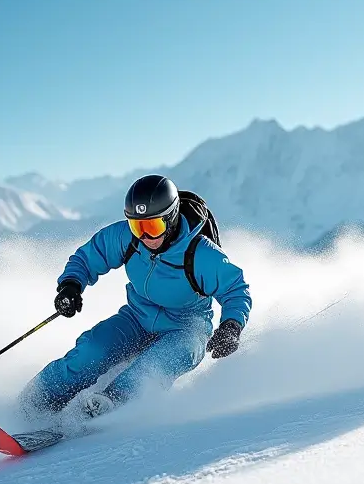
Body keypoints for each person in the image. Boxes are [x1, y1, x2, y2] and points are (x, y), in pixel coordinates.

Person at [19, 175, 251, 422]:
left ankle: (110, 405)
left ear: (171, 220)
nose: (145, 237)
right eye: (137, 226)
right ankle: (36, 400)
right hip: (136, 318)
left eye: (153, 227)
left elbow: (236, 290)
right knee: (92, 350)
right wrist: (71, 285)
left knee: (155, 366)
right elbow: (89, 256)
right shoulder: (128, 239)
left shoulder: (202, 254)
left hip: (186, 328)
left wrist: (231, 326)